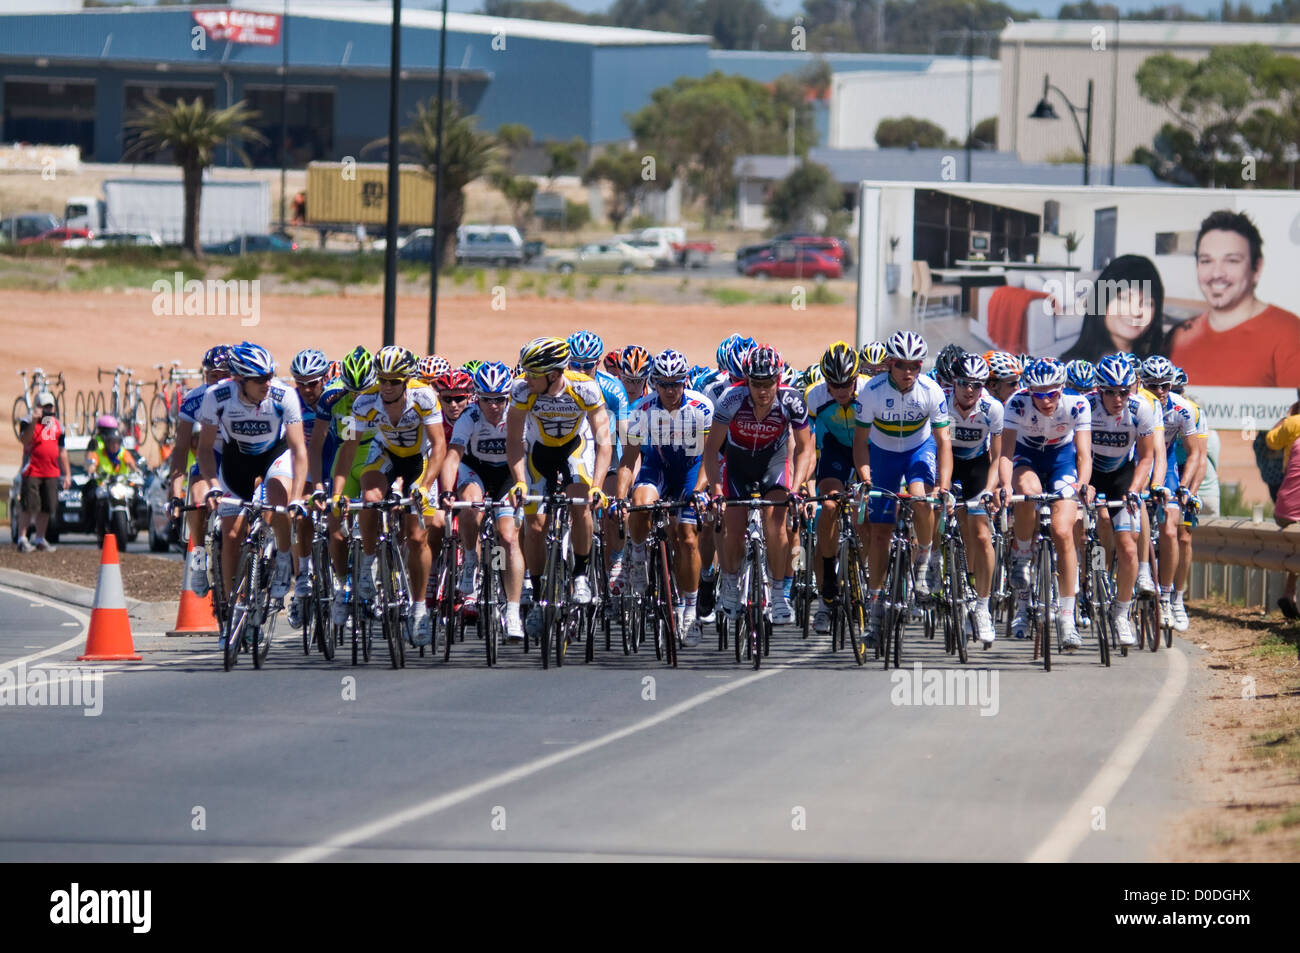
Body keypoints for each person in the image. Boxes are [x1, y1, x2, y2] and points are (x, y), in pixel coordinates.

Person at [853, 330, 952, 645]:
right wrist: (865, 476)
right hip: (882, 456)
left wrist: (944, 485)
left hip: (918, 451)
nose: (908, 372)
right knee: (880, 533)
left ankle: (924, 559)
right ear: (890, 364)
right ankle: (875, 603)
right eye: (901, 365)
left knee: (921, 499)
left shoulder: (931, 391)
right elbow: (859, 442)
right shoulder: (871, 391)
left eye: (915, 366)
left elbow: (943, 441)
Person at [1167, 210, 1300, 386]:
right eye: (1206, 261)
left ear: (1257, 268)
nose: (1216, 273)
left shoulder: (1289, 333)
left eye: (1232, 261)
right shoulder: (1178, 336)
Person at [1060, 254, 1166, 364]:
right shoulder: (1070, 369)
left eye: (1147, 303)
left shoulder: (1155, 367)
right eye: (1124, 298)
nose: (1135, 312)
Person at [16, 392, 70, 553]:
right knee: (29, 505)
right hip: (32, 470)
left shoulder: (58, 425)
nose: (47, 410)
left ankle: (40, 538)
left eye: (49, 407)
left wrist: (67, 474)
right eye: (44, 406)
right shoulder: (27, 421)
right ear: (37, 406)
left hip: (51, 471)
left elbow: (62, 451)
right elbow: (25, 440)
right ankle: (22, 538)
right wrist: (34, 420)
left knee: (47, 506)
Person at [1266, 405, 1300, 619]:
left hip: (1285, 503)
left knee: (1297, 548)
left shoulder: (1292, 425)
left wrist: (1285, 419)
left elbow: (1271, 441)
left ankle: (1289, 592)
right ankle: (1289, 593)